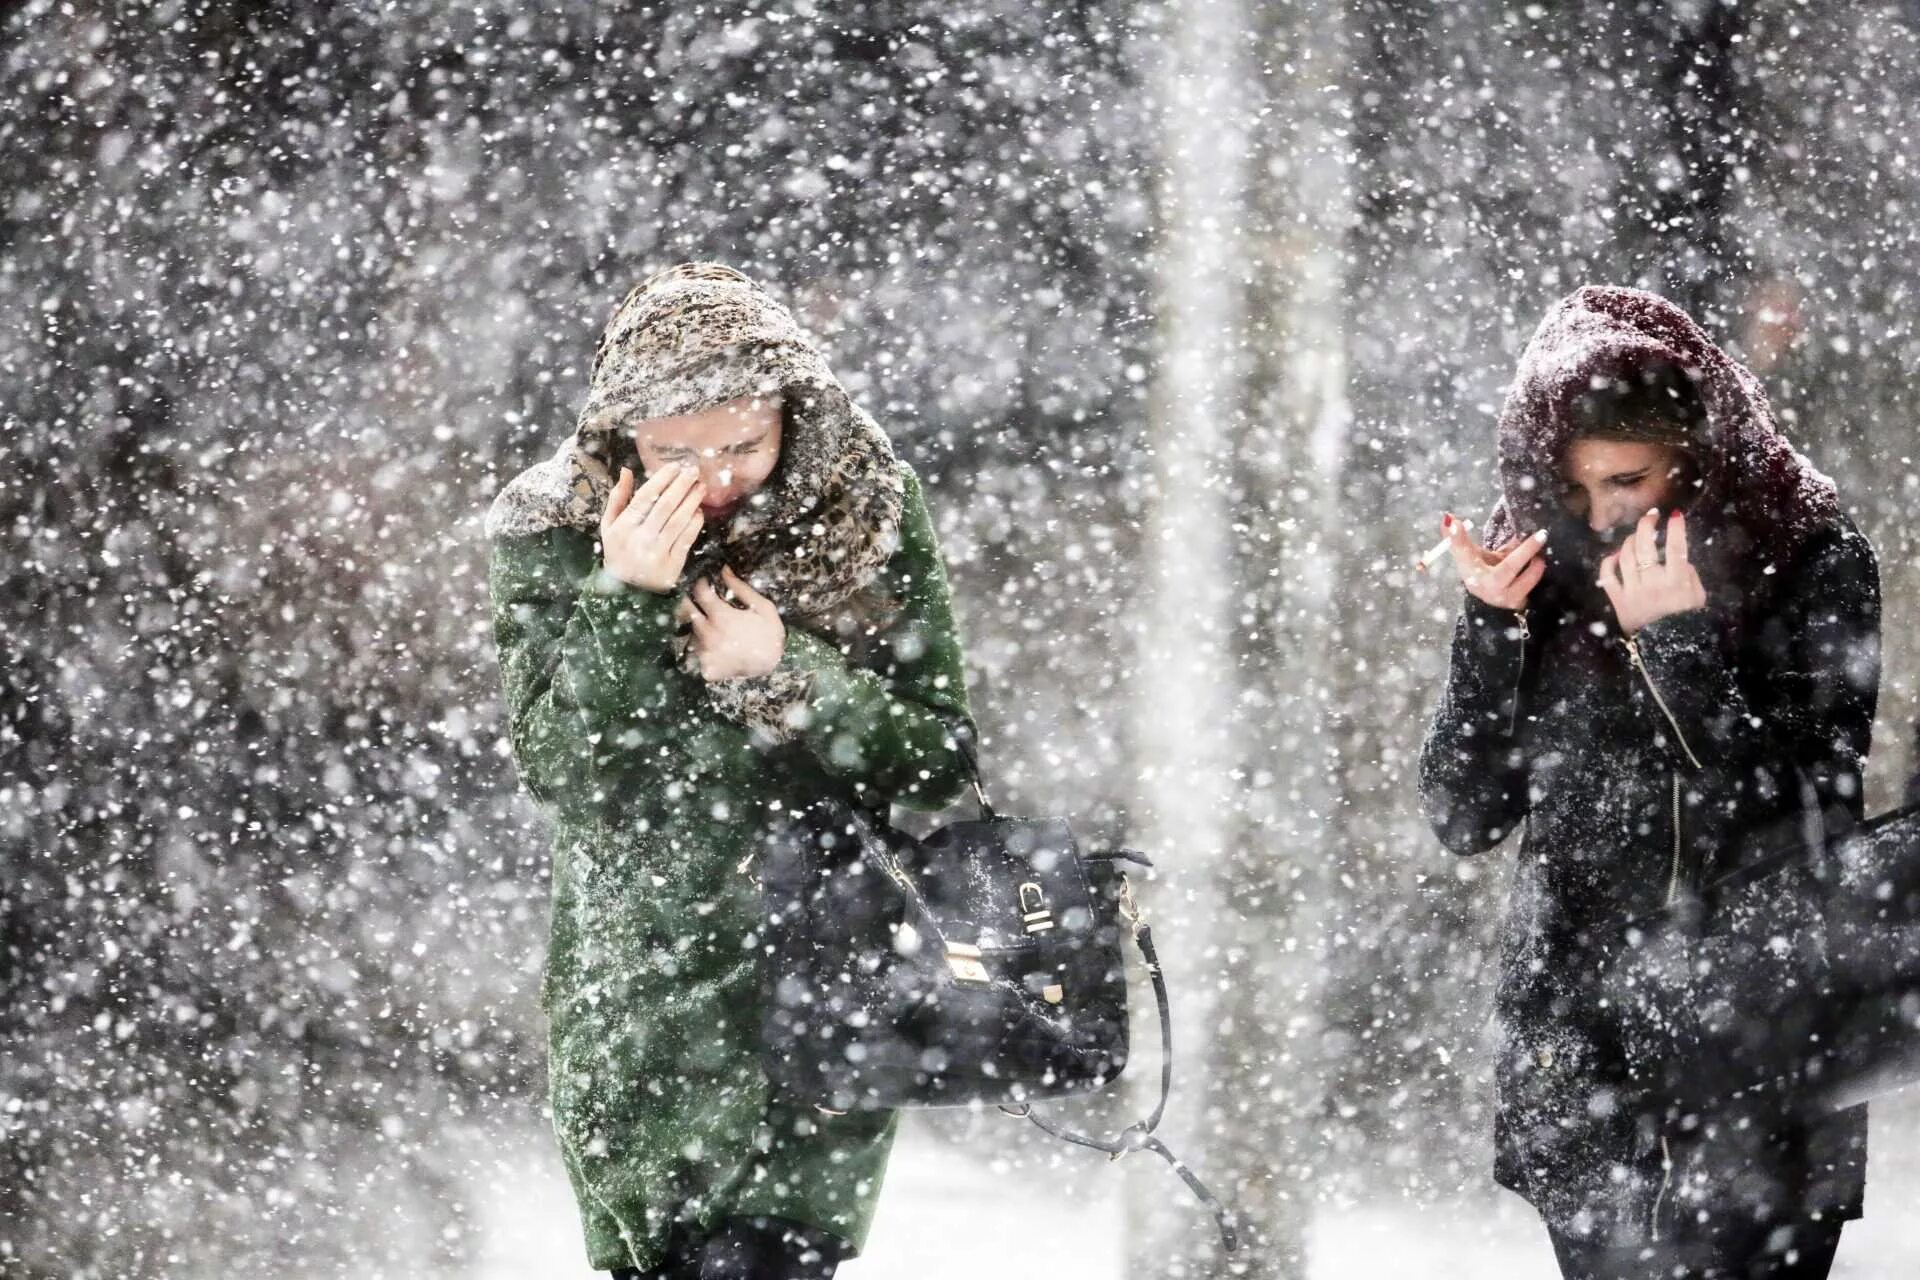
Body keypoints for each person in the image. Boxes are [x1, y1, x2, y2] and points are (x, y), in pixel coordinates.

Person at [486, 262, 975, 1278]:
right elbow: (565, 768)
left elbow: (938, 758)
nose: (713, 478)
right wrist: (625, 596)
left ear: (795, 416)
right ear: (623, 435)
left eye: (743, 445)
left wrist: (787, 673)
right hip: (641, 1000)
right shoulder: (553, 528)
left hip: (821, 988)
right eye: (673, 452)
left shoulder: (868, 509)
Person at [1418, 286, 1880, 1278]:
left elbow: (1806, 813)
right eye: (1578, 489)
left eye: (1629, 479)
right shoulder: (1540, 571)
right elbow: (1462, 814)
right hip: (1582, 1059)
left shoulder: (1812, 556)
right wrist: (1490, 631)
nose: (1603, 515)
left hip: (1762, 1045)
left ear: (1697, 454)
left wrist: (1678, 643)